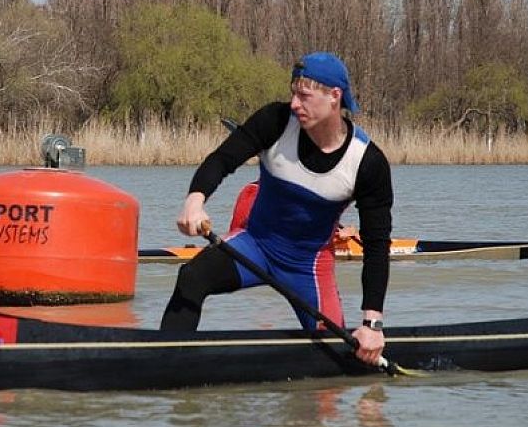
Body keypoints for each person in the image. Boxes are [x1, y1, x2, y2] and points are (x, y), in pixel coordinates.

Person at [160, 52, 393, 366]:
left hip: (308, 267)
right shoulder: (277, 121)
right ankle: (165, 362)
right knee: (192, 277)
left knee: (337, 359)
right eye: (293, 93)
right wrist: (195, 200)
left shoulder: (367, 162)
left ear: (334, 97)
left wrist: (372, 325)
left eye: (304, 96)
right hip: (254, 245)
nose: (295, 104)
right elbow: (222, 160)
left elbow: (377, 245)